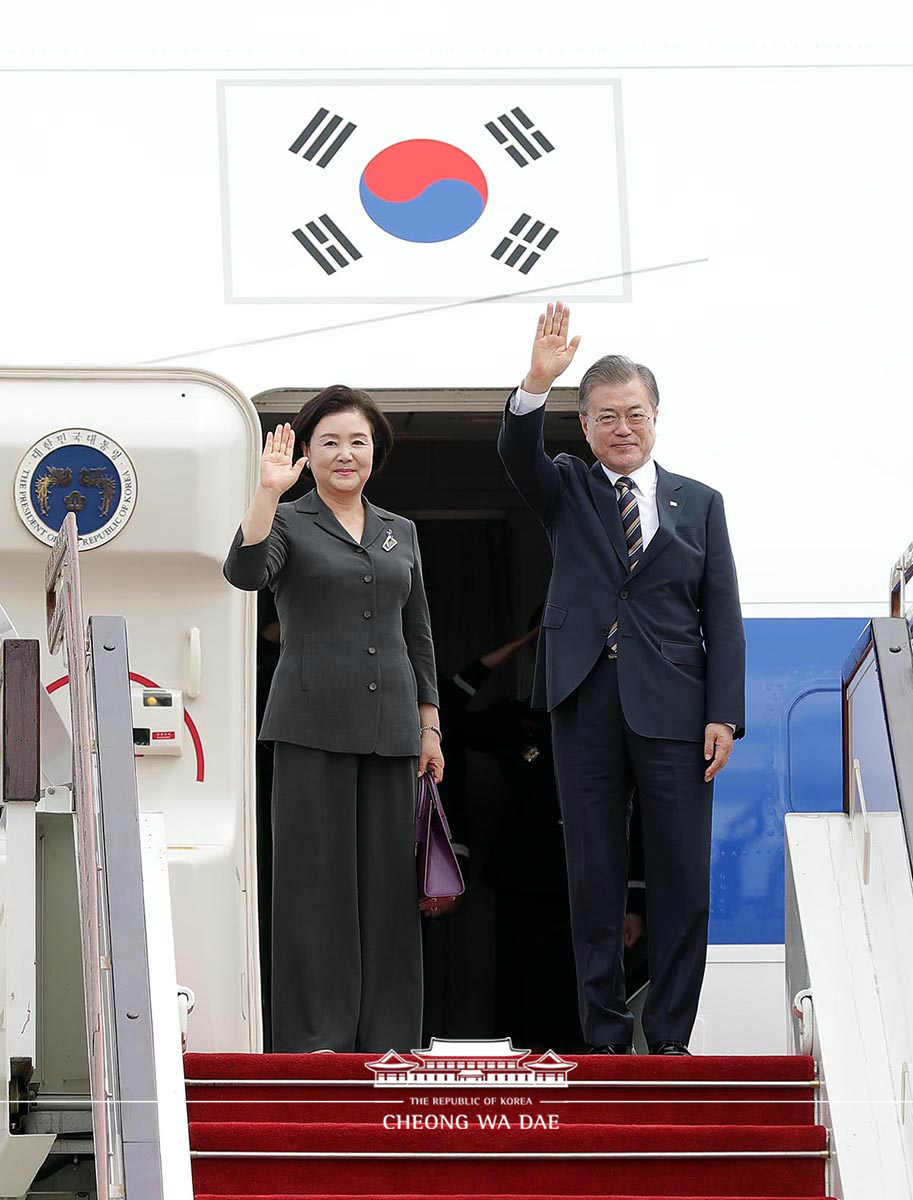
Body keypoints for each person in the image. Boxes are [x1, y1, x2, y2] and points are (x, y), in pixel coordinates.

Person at [498, 302, 745, 1056]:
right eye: (605, 416)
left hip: (675, 706)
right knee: (593, 875)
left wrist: (722, 714)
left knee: (681, 878)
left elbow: (722, 615)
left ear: (656, 416)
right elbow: (518, 454)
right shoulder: (567, 486)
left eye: (634, 413)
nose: (621, 427)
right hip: (584, 701)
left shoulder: (698, 504)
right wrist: (535, 384)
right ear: (584, 425)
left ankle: (668, 1037)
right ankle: (604, 1037)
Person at [223, 385, 444, 1053]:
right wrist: (266, 493)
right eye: (330, 442)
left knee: (387, 894)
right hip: (310, 725)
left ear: (376, 450)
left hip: (392, 731)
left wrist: (429, 726)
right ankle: (317, 1035)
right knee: (315, 888)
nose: (345, 453)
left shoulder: (398, 530)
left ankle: (387, 1038)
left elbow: (420, 632)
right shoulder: (289, 520)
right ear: (308, 455)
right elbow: (243, 572)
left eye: (357, 441)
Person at [439, 619, 648, 1051]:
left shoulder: (611, 716)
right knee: (523, 1001)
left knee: (584, 1005)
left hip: (593, 884)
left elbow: (639, 808)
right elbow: (441, 716)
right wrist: (509, 649)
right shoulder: (515, 720)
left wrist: (634, 900)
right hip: (525, 883)